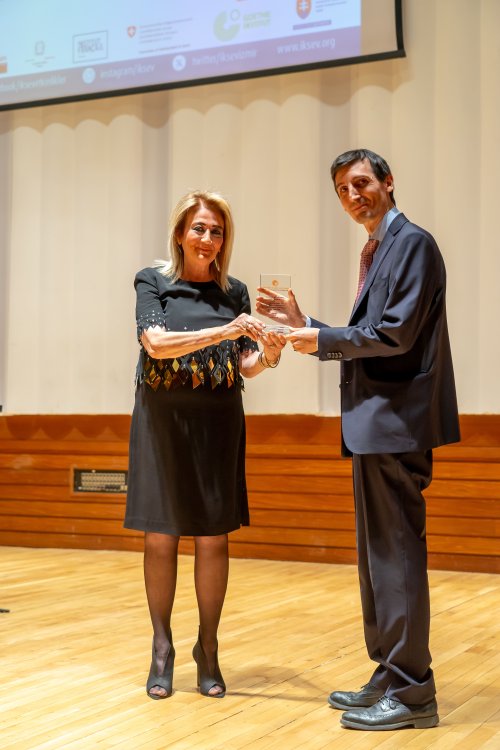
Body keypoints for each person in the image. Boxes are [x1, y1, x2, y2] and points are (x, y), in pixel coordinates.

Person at [256, 149, 460, 731]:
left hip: (396, 423)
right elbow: (370, 334)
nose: (353, 196)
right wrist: (308, 326)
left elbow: (394, 334)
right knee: (377, 561)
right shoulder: (379, 247)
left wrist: (320, 340)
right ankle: (390, 674)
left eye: (362, 183)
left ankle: (414, 691)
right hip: (375, 425)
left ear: (389, 183)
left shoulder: (412, 243)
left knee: (396, 558)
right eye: (343, 189)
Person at [125, 190, 285, 700]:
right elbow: (154, 343)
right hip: (161, 423)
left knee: (214, 536)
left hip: (218, 422)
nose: (208, 238)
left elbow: (245, 364)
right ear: (180, 233)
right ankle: (162, 647)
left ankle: (208, 648)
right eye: (199, 228)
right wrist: (225, 331)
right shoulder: (153, 281)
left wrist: (271, 354)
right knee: (160, 534)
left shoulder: (234, 292)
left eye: (217, 231)